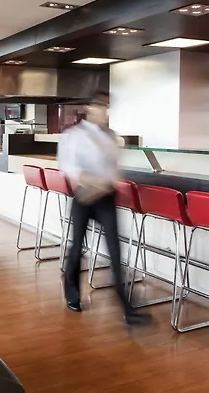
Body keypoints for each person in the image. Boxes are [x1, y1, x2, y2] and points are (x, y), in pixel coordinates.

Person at [58, 92, 151, 325]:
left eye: (107, 106)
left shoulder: (111, 136)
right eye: (101, 106)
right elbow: (69, 167)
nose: (105, 111)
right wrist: (94, 182)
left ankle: (128, 309)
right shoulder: (74, 135)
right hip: (84, 197)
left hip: (106, 198)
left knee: (115, 251)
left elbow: (113, 167)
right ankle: (72, 296)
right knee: (77, 247)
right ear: (90, 108)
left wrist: (109, 182)